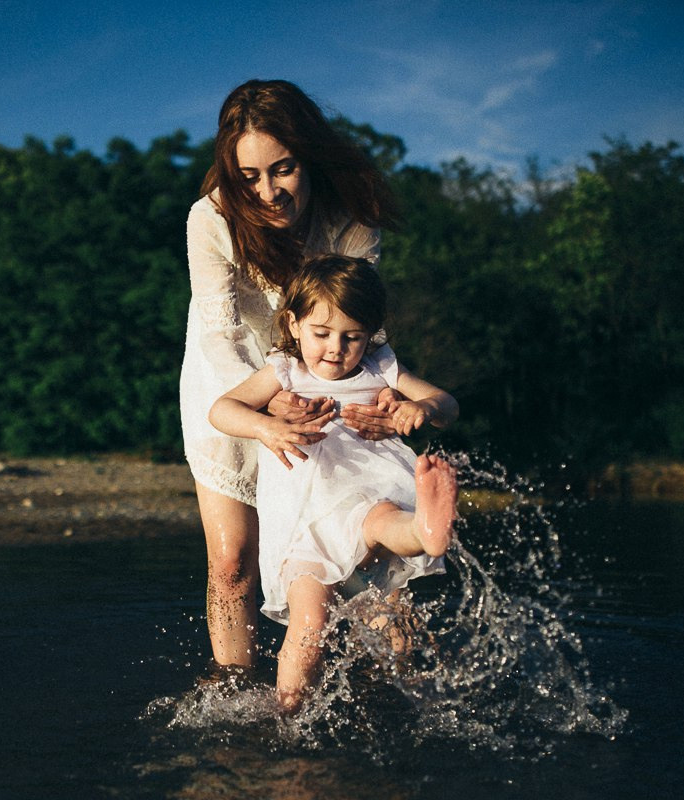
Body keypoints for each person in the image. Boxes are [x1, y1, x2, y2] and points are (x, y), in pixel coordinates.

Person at [179, 79, 403, 673]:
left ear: (310, 157)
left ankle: (357, 687)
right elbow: (220, 335)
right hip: (227, 384)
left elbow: (360, 327)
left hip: (323, 385)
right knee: (232, 561)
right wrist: (267, 402)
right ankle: (232, 690)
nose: (268, 192)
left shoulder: (351, 222)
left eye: (283, 169)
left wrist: (387, 397)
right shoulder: (210, 219)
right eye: (249, 176)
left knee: (346, 546)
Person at [208, 254, 459, 709]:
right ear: (294, 324)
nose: (335, 349)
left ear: (371, 334)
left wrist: (422, 409)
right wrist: (266, 427)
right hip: (304, 520)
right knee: (310, 624)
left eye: (352, 337)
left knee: (384, 522)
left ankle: (426, 531)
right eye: (321, 334)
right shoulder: (285, 370)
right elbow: (222, 410)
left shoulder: (381, 368)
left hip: (369, 492)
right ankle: (289, 711)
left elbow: (446, 403)